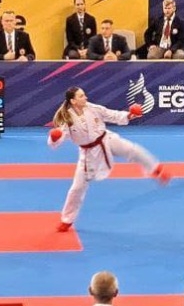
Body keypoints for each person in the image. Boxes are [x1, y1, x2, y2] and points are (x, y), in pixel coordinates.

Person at [48, 87, 170, 232]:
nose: (86, 97)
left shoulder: (92, 108)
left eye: (84, 95)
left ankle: (155, 169)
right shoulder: (67, 118)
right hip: (88, 153)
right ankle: (67, 220)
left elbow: (111, 115)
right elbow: (57, 139)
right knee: (77, 187)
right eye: (81, 96)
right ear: (73, 101)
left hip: (106, 139)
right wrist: (54, 137)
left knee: (132, 149)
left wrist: (129, 115)